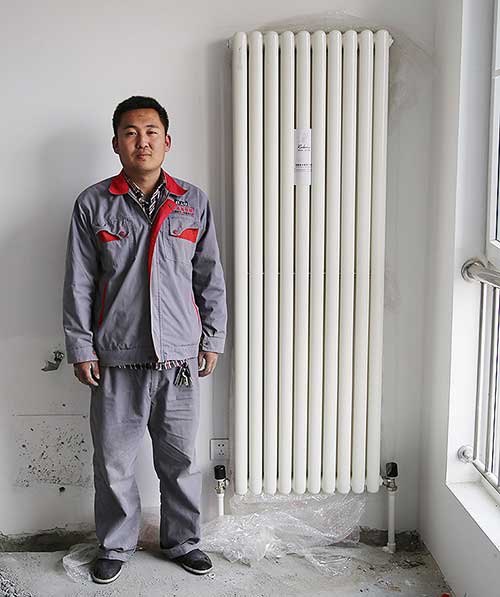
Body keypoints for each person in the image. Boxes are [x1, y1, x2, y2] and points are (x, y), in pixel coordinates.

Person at [63, 96, 227, 584]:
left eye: (151, 131)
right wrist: (81, 347)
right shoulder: (93, 204)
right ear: (116, 143)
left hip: (178, 358)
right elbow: (79, 282)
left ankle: (184, 541)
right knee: (114, 462)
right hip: (116, 358)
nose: (142, 141)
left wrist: (213, 336)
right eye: (131, 133)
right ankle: (116, 545)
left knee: (180, 461)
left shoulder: (192, 202)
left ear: (167, 141)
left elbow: (209, 276)